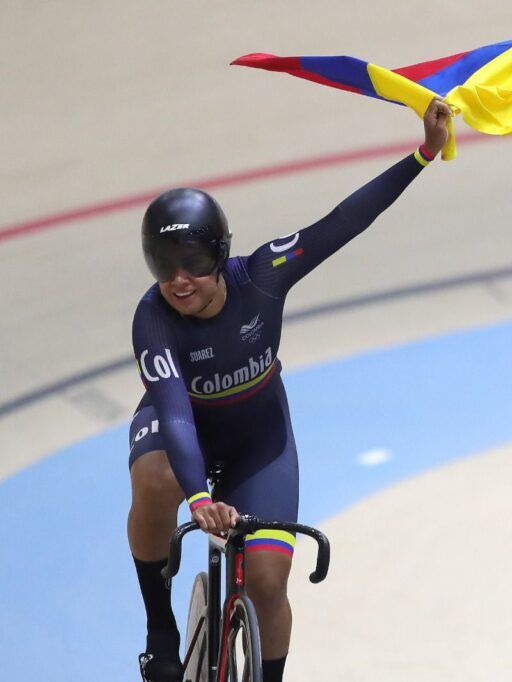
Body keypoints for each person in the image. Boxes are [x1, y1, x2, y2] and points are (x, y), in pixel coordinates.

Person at [128, 99, 452, 682]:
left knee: (271, 583)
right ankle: (160, 628)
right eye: (164, 265)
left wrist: (422, 155)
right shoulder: (152, 320)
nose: (178, 280)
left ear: (220, 256)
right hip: (185, 436)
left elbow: (343, 222)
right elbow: (176, 415)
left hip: (259, 442)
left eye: (193, 263)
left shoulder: (264, 276)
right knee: (155, 479)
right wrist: (199, 499)